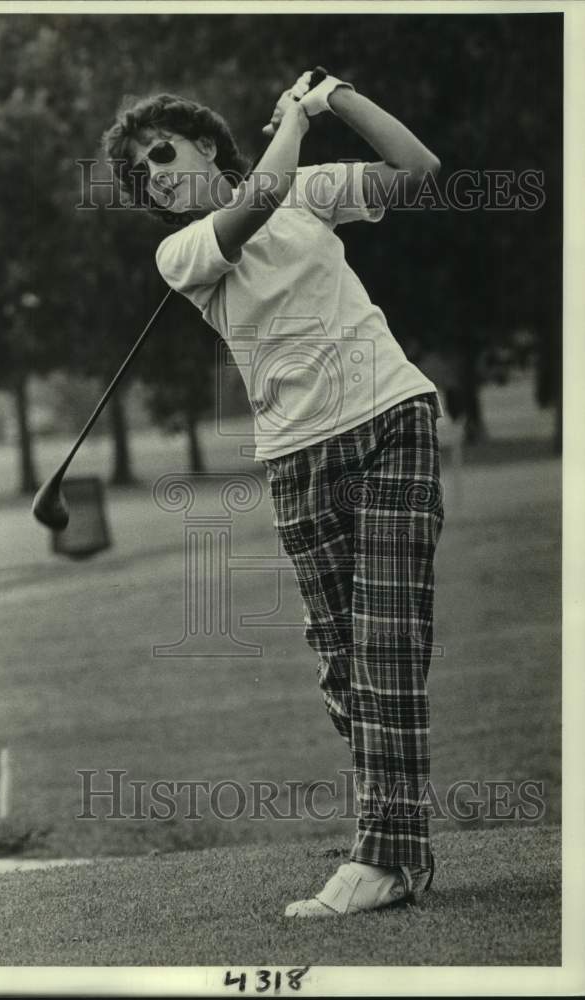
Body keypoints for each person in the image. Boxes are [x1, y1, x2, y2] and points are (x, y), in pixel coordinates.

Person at [102, 69, 445, 917]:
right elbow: (255, 201)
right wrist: (289, 122)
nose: (157, 178)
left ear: (205, 144)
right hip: (294, 455)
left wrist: (333, 99)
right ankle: (396, 833)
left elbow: (418, 167)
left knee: (386, 643)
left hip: (389, 415)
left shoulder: (310, 195)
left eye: (162, 155)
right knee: (344, 666)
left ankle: (381, 857)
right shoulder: (182, 251)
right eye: (143, 179)